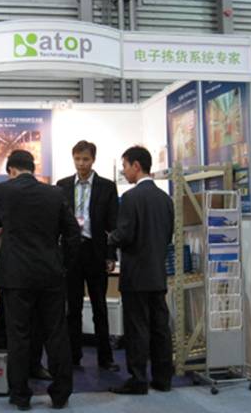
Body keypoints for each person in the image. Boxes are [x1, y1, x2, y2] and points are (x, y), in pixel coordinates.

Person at [0, 150, 81, 410]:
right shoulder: (55, 194)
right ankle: (60, 394)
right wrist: (63, 265)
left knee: (18, 336)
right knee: (56, 334)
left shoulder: (3, 191)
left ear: (11, 170)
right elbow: (73, 234)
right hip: (50, 274)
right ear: (32, 168)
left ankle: (20, 396)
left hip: (15, 276)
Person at [108, 145, 174, 395]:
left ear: (136, 166)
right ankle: (163, 378)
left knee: (137, 328)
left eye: (125, 166)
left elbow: (125, 234)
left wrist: (109, 239)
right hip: (157, 273)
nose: (124, 172)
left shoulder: (130, 197)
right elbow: (168, 235)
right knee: (160, 328)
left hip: (136, 274)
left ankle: (138, 380)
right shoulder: (165, 199)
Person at [56, 140, 119, 371]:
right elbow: (58, 221)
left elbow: (113, 224)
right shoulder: (62, 186)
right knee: (72, 307)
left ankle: (105, 358)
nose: (81, 164)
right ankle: (73, 356)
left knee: (99, 307)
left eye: (85, 159)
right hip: (71, 252)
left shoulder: (107, 187)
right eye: (77, 159)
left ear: (93, 160)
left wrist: (111, 255)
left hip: (96, 251)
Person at [0, 198, 52, 381]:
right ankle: (0, 366)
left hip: (35, 264)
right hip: (7, 264)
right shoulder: (1, 195)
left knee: (35, 319)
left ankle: (33, 365)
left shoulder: (41, 195)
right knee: (5, 317)